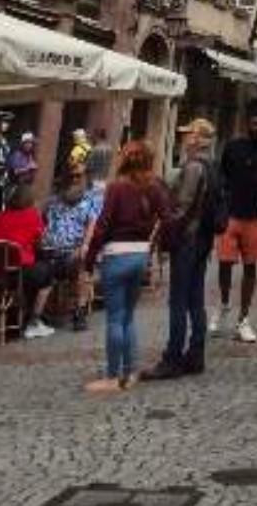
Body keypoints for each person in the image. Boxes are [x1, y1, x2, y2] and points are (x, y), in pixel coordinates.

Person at [83, 139, 170, 393]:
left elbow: (102, 226)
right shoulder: (154, 187)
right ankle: (131, 372)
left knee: (115, 318)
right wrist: (154, 244)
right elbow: (168, 217)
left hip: (116, 255)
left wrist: (89, 259)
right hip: (140, 256)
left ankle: (113, 376)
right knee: (129, 317)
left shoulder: (116, 188)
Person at [142, 117, 220, 380]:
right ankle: (196, 355)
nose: (184, 137)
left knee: (178, 300)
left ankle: (172, 358)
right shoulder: (211, 166)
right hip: (203, 240)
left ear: (197, 139)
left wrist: (166, 234)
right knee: (195, 299)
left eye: (188, 133)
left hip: (188, 239)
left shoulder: (194, 167)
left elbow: (182, 207)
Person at [211, 100, 257, 342]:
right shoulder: (233, 146)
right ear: (246, 123)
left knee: (251, 268)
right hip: (231, 215)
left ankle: (244, 318)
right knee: (224, 263)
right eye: (253, 122)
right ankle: (224, 305)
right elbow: (221, 176)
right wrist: (222, 199)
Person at [42, 171, 101, 330]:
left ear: (85, 179)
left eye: (78, 176)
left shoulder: (91, 200)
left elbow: (92, 225)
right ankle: (37, 315)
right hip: (49, 251)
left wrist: (85, 245)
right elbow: (43, 222)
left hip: (73, 251)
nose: (74, 179)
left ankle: (79, 311)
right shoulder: (53, 201)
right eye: (71, 176)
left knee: (82, 265)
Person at [0, 181, 53, 337]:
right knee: (46, 274)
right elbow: (41, 243)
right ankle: (34, 321)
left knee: (37, 271)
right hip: (18, 273)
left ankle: (23, 314)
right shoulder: (32, 215)